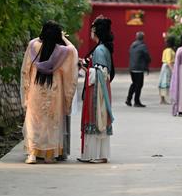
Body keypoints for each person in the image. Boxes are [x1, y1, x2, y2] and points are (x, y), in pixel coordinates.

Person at [20, 21, 78, 164]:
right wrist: (63, 37)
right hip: (54, 90)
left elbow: (25, 70)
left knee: (34, 120)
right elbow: (73, 50)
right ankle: (49, 155)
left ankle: (32, 154)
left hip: (36, 88)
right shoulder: (62, 51)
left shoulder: (33, 45)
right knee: (52, 122)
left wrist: (25, 93)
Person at [79, 16, 115, 163]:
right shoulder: (103, 48)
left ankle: (97, 155)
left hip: (97, 91)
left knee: (96, 118)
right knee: (99, 118)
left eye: (92, 30)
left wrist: (86, 69)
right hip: (101, 88)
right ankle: (96, 154)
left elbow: (100, 73)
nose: (91, 33)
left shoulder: (100, 49)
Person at [126, 31, 151, 107]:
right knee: (139, 85)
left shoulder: (132, 45)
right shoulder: (143, 46)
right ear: (143, 38)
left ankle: (128, 99)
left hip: (132, 68)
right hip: (139, 68)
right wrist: (148, 62)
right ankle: (136, 101)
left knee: (134, 84)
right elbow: (147, 56)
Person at [158, 36, 176, 104]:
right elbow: (169, 61)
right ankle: (163, 99)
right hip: (167, 67)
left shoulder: (167, 49)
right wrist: (173, 70)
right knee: (165, 82)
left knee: (164, 82)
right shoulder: (169, 50)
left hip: (165, 66)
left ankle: (163, 99)